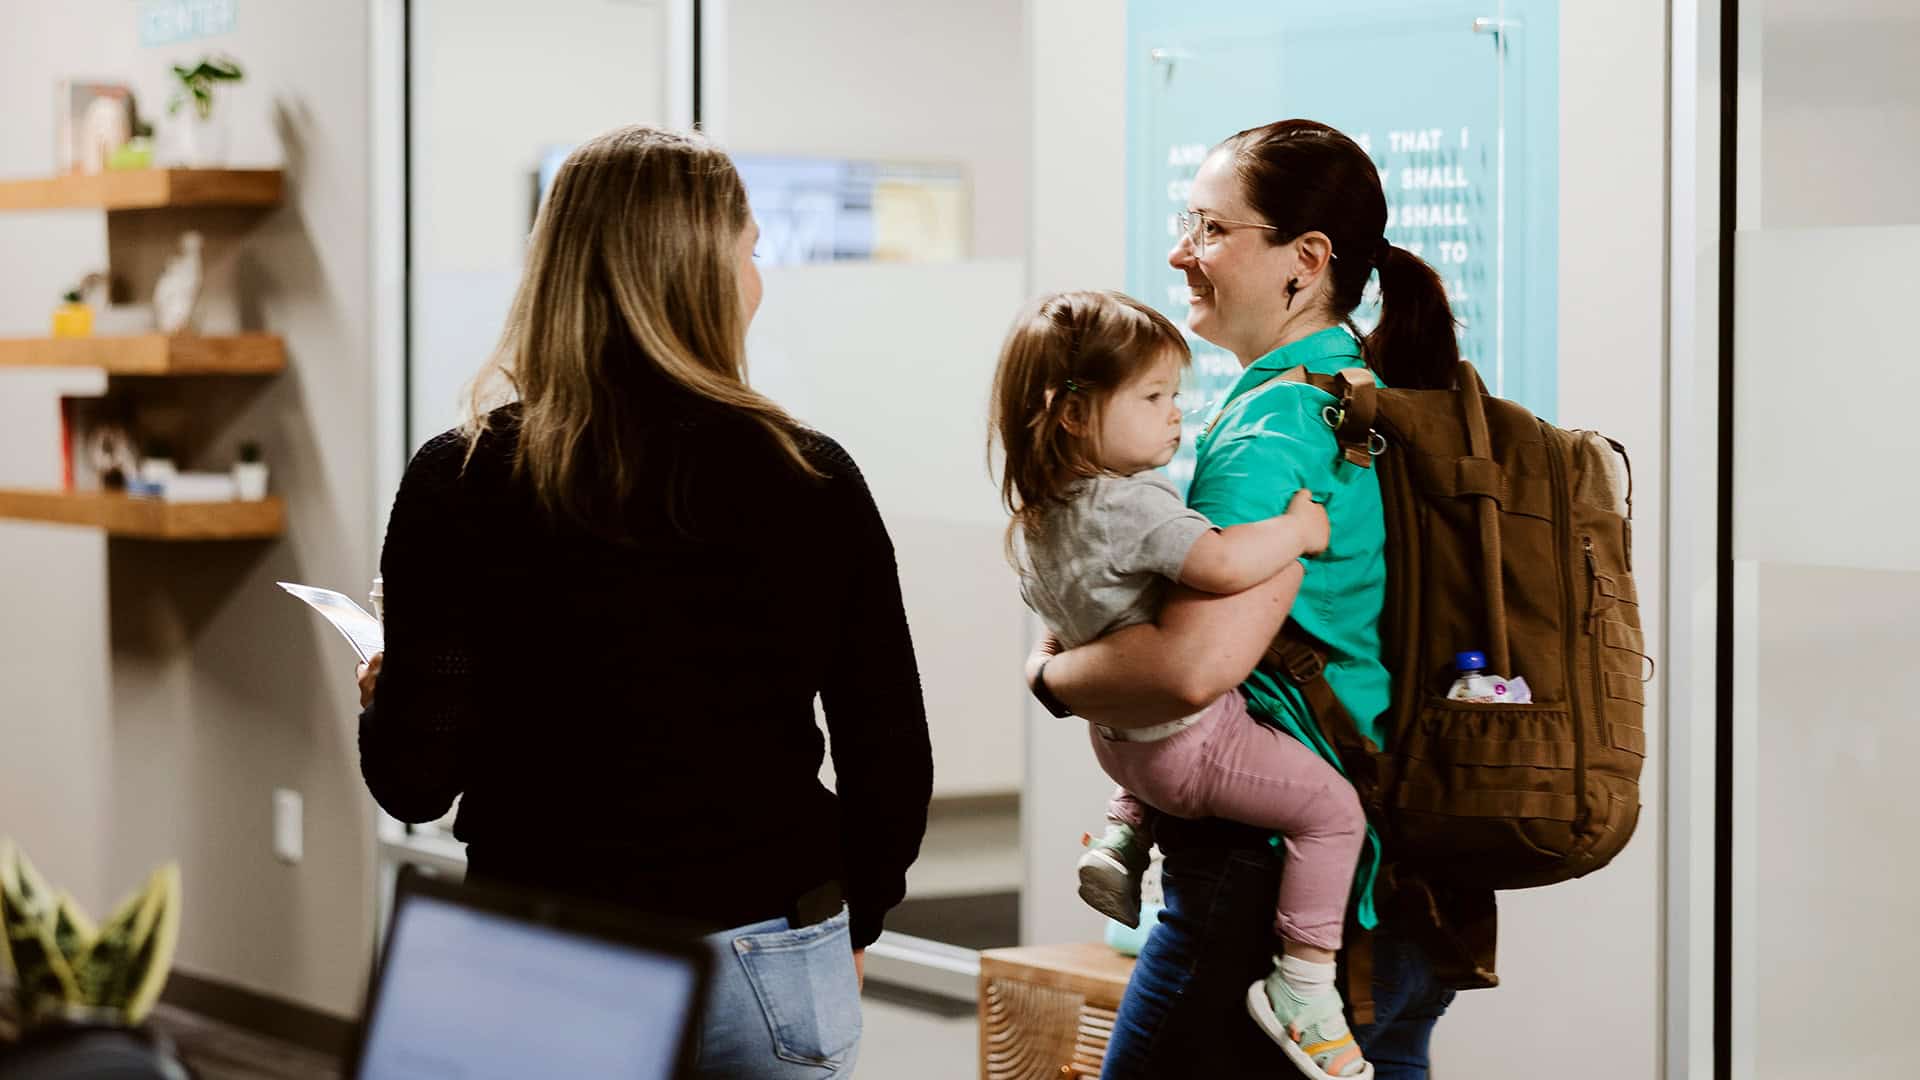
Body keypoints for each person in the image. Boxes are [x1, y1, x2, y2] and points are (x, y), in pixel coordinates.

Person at [354, 124, 933, 1080]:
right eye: (752, 253)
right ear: (705, 275)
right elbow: (889, 749)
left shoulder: (461, 478)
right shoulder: (811, 476)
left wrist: (386, 689)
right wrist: (851, 922)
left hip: (542, 956)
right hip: (770, 948)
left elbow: (414, 782)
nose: (760, 279)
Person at [1026, 120, 1464, 1080]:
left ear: (1305, 261)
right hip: (1387, 875)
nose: (1183, 251)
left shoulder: (1271, 426)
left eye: (1212, 228)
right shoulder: (1356, 388)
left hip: (1257, 884)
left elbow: (1192, 669)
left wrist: (1051, 675)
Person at [989, 289, 1372, 1080]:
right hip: (1185, 747)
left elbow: (1070, 634)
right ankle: (1303, 984)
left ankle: (1126, 837)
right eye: (1156, 397)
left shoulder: (1034, 519)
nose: (1175, 416)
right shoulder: (1133, 504)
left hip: (1121, 749)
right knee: (1334, 813)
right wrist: (1300, 530)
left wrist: (1047, 673)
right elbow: (1221, 566)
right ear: (1071, 413)